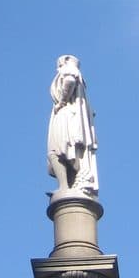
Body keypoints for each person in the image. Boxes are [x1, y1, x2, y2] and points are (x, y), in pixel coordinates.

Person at [47, 54, 98, 195]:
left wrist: (62, 101)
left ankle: (64, 187)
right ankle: (68, 185)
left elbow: (69, 80)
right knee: (66, 152)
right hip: (71, 115)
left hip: (65, 114)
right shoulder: (80, 81)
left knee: (55, 151)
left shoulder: (69, 69)